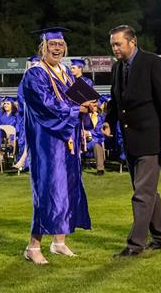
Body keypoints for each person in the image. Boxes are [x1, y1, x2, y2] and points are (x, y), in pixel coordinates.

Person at [103, 25, 161, 257]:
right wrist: (108, 121)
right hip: (130, 139)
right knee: (146, 191)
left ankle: (135, 244)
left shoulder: (152, 63)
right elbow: (116, 100)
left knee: (142, 194)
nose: (115, 48)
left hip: (150, 138)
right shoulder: (117, 67)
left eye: (118, 44)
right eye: (112, 45)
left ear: (132, 41)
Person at [20, 27, 93, 265]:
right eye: (52, 45)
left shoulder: (66, 72)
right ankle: (33, 247)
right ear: (43, 47)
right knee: (48, 190)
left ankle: (59, 242)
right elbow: (46, 105)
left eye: (60, 45)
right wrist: (77, 109)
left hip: (67, 141)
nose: (57, 49)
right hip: (47, 143)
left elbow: (79, 97)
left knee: (67, 188)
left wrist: (90, 103)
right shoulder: (35, 74)